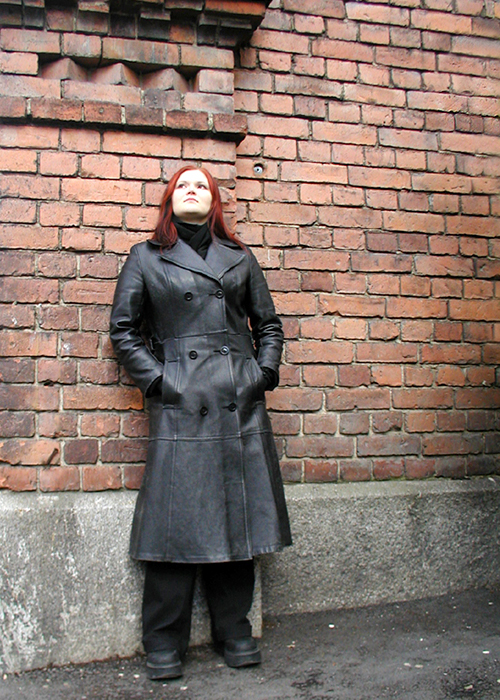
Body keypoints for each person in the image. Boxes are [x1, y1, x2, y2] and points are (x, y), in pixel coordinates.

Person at [109, 165, 292, 681]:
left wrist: (261, 374)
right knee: (174, 521)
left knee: (238, 514)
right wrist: (164, 383)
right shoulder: (146, 257)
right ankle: (163, 640)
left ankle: (235, 630)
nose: (193, 190)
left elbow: (269, 324)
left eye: (202, 186)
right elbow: (123, 331)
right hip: (181, 402)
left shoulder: (240, 256)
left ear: (214, 200)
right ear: (171, 199)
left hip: (238, 397)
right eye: (183, 185)